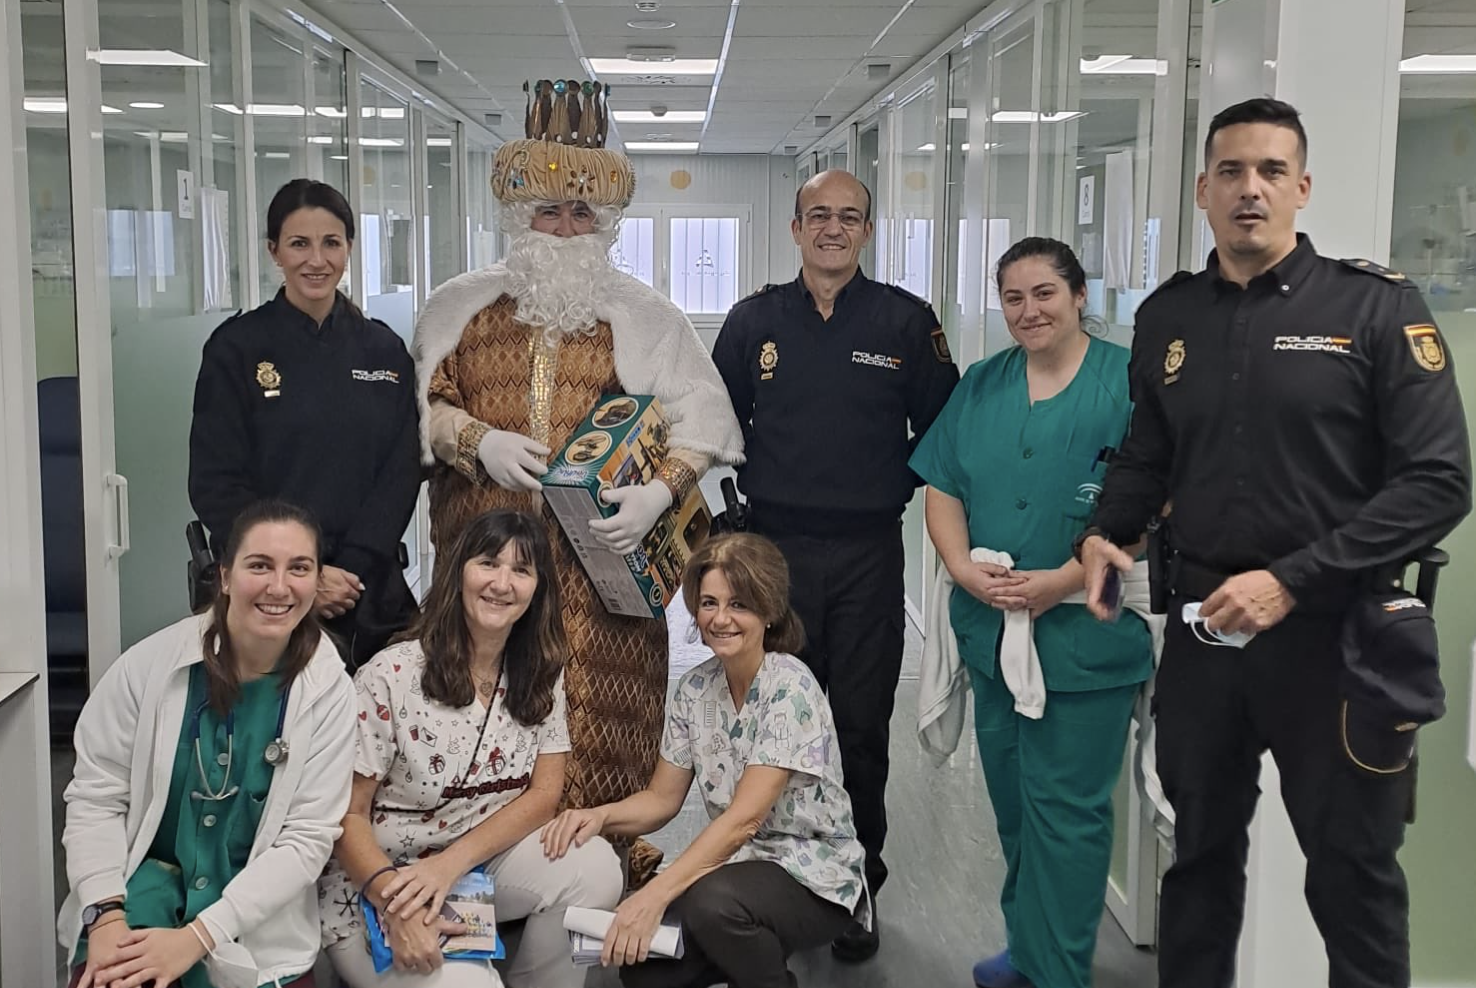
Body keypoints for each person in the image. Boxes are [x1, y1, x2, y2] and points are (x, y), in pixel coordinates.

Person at [1076, 98, 1472, 988]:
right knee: (1198, 858)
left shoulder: (1374, 309)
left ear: (1302, 187)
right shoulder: (1170, 315)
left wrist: (1292, 580)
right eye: (1230, 172)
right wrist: (1109, 532)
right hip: (1206, 628)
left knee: (1353, 873)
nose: (1249, 190)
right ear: (1203, 189)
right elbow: (1149, 451)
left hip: (1336, 636)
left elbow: (1440, 482)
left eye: (1268, 172)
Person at [411, 78, 743, 878]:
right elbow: (416, 411)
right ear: (519, 218)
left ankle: (606, 859)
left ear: (606, 224)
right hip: (483, 565)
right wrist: (474, 441)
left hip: (600, 577)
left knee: (601, 720)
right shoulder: (460, 305)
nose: (565, 229)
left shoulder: (647, 313)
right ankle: (475, 864)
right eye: (548, 213)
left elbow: (705, 422)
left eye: (582, 214)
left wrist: (660, 490)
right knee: (481, 709)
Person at [709, 167, 959, 959]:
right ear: (794, 228)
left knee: (857, 729)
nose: (833, 228)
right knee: (769, 728)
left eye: (849, 217)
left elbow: (947, 429)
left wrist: (892, 480)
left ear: (868, 230)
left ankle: (855, 892)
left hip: (866, 556)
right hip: (771, 558)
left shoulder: (904, 323)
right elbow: (715, 424)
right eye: (819, 215)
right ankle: (772, 887)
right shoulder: (754, 322)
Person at [909, 238, 1154, 988]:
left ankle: (1056, 972)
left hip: (1088, 635)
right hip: (992, 635)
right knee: (1015, 807)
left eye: (1045, 293)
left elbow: (1155, 504)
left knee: (1068, 818)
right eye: (1013, 297)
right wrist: (958, 570)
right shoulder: (983, 384)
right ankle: (1028, 947)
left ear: (1081, 297)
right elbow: (943, 486)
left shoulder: (1129, 385)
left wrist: (1065, 580)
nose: (1028, 310)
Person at [541, 533, 866, 988]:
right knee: (644, 971)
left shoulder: (790, 687)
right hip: (738, 870)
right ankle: (748, 956)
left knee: (714, 906)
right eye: (709, 603)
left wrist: (653, 894)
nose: (721, 618)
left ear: (769, 611)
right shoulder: (695, 688)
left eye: (739, 604)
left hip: (812, 874)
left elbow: (744, 820)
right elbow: (661, 798)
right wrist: (598, 817)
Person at [57, 499, 356, 988]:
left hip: (253, 922)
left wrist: (198, 937)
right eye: (259, 566)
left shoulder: (330, 693)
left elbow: (306, 841)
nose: (279, 587)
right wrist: (106, 914)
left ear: (317, 578)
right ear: (223, 575)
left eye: (299, 568)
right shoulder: (147, 667)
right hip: (138, 898)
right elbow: (96, 798)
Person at [319, 509, 623, 988]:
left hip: (470, 869)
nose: (502, 583)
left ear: (538, 589)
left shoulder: (541, 671)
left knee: (597, 868)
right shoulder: (391, 675)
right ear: (458, 570)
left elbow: (544, 795)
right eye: (488, 563)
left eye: (521, 570)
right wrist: (394, 898)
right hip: (379, 887)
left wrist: (449, 865)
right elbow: (347, 815)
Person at [190, 178, 420, 670]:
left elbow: (401, 473)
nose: (316, 260)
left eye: (331, 243)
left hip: (366, 590)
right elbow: (215, 481)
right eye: (299, 244)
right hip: (270, 594)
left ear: (349, 249)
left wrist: (347, 569)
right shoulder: (237, 349)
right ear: (275, 251)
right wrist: (299, 576)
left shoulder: (383, 350)